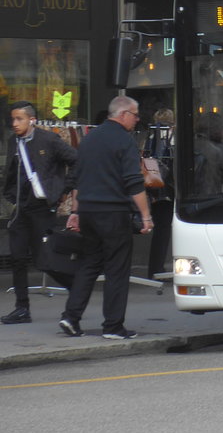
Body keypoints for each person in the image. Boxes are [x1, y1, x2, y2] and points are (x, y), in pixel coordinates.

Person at [58, 96, 153, 340]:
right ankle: (113, 326)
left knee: (88, 264)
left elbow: (78, 179)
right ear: (123, 114)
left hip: (88, 211)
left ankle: (71, 317)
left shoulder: (89, 139)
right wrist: (146, 216)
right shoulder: (124, 140)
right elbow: (134, 182)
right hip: (113, 213)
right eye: (135, 114)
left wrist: (76, 212)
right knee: (117, 269)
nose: (137, 119)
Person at [1, 101, 77, 325]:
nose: (14, 124)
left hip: (42, 207)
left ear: (31, 120)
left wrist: (62, 190)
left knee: (44, 259)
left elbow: (76, 160)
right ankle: (22, 307)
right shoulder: (13, 141)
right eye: (12, 119)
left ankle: (76, 286)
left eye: (19, 119)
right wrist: (11, 194)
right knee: (17, 257)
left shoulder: (49, 140)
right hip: (21, 207)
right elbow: (12, 172)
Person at [144, 108, 175, 278]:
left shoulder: (150, 137)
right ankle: (157, 269)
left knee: (160, 230)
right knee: (163, 229)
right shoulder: (172, 138)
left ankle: (155, 267)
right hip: (167, 188)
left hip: (152, 187)